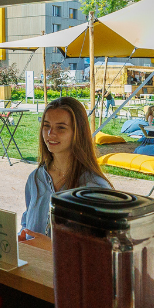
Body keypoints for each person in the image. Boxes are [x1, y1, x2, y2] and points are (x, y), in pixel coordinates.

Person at [20, 97, 111, 238]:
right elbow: (26, 225)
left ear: (78, 132)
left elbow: (101, 250)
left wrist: (51, 248)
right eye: (46, 126)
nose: (50, 134)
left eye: (61, 127)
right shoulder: (36, 178)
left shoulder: (95, 188)